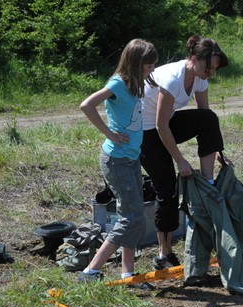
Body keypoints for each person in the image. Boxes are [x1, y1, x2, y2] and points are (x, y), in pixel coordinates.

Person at [140, 36, 228, 270]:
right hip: (144, 133)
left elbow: (205, 115)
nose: (211, 72)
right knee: (167, 186)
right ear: (193, 59)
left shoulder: (199, 78)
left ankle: (207, 182)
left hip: (165, 124)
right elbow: (160, 126)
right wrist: (180, 160)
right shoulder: (172, 79)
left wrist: (217, 149)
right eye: (208, 67)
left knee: (209, 119)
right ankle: (164, 253)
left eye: (214, 69)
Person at [78, 39, 158, 282]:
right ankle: (90, 271)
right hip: (116, 160)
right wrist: (109, 133)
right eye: (148, 66)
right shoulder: (117, 84)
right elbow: (87, 105)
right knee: (132, 218)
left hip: (131, 159)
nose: (151, 70)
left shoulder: (136, 84)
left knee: (133, 216)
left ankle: (127, 274)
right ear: (135, 64)